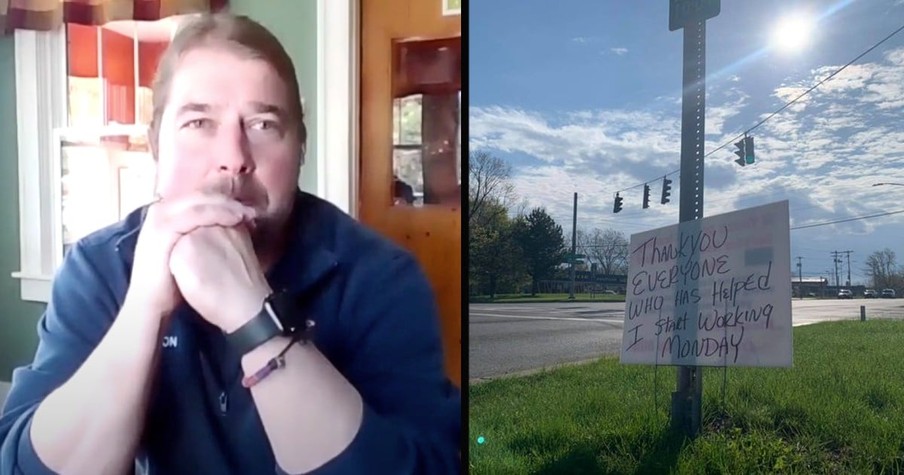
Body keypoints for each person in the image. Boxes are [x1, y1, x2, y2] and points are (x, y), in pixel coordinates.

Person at [0, 13, 460, 475]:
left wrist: (250, 312)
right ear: (156, 144)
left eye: (262, 125)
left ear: (299, 146)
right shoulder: (98, 266)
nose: (234, 159)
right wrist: (143, 306)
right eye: (199, 122)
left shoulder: (381, 276)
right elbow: (24, 467)